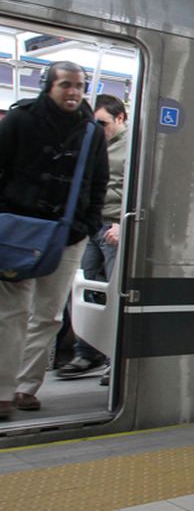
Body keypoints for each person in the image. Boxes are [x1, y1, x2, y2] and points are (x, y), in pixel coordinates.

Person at [0, 62, 109, 418]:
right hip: (18, 230)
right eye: (66, 85)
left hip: (67, 234)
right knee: (11, 314)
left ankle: (25, 386)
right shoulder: (19, 120)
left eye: (79, 86)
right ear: (49, 86)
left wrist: (87, 222)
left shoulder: (91, 132)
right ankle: (3, 390)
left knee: (47, 315)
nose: (73, 92)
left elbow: (98, 183)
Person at [58, 94, 129, 383]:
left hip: (115, 227)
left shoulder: (134, 146)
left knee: (115, 296)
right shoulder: (92, 144)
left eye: (103, 123)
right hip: (92, 227)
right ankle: (88, 352)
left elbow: (137, 187)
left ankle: (116, 357)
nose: (98, 128)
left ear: (120, 119)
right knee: (85, 294)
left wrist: (123, 224)